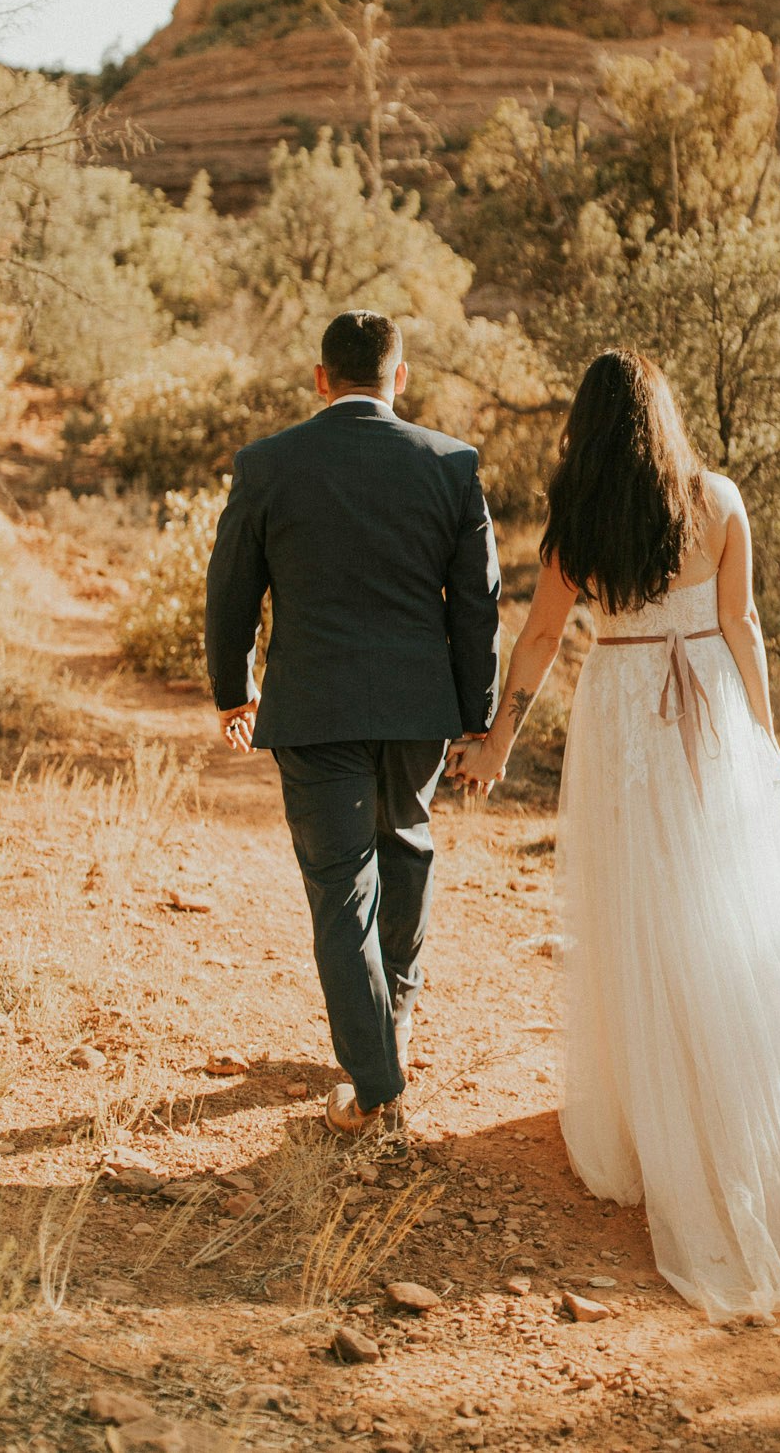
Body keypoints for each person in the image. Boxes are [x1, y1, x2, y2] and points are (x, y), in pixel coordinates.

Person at [447, 349, 780, 1329]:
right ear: (664, 422)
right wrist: (765, 741)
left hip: (623, 714)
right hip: (708, 714)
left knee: (637, 910)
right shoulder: (718, 501)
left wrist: (496, 741)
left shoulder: (583, 522)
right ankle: (731, 1104)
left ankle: (651, 1121)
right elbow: (742, 624)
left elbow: (535, 642)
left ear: (589, 426)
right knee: (721, 908)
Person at [206, 309, 501, 1136]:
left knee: (341, 890)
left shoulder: (268, 465)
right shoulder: (451, 465)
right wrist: (474, 715)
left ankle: (375, 1080)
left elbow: (230, 585)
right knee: (405, 845)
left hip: (314, 707)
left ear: (321, 379)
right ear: (398, 377)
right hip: (419, 710)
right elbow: (477, 602)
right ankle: (389, 1028)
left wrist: (235, 688)